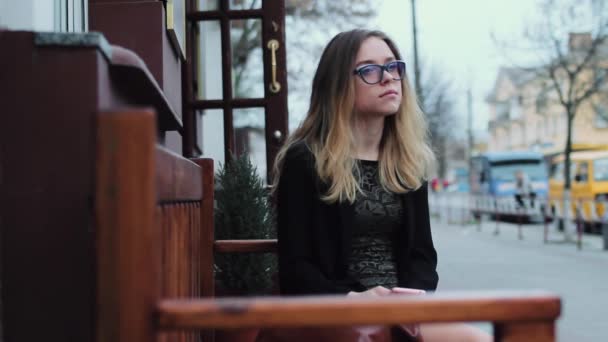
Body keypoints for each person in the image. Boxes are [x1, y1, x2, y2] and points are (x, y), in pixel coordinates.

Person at [272, 29, 490, 342]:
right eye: (370, 70)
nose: (388, 78)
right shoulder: (306, 159)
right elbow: (296, 268)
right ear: (339, 85)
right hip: (335, 312)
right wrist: (352, 299)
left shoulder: (408, 160)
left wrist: (412, 299)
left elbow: (422, 257)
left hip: (400, 315)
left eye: (392, 67)